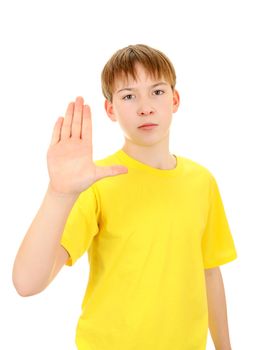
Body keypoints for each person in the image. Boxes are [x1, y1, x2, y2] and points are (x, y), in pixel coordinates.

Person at [12, 44, 238, 350]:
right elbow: (27, 283)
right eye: (129, 96)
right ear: (110, 109)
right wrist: (58, 194)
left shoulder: (202, 181)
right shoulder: (95, 181)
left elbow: (210, 272)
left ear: (175, 100)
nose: (145, 107)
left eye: (157, 92)